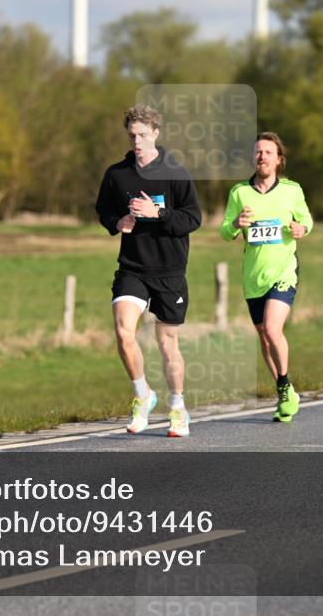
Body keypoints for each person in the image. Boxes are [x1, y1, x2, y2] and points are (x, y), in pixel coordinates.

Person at [95, 105, 202, 438]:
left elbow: (193, 219)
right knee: (124, 332)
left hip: (169, 270)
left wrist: (159, 213)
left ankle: (177, 407)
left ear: (156, 133)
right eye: (132, 135)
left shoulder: (175, 173)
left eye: (142, 135)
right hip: (133, 268)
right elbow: (104, 210)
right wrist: (118, 222)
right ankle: (143, 395)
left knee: (167, 343)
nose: (137, 141)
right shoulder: (117, 174)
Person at [220, 132, 312, 422]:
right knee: (263, 336)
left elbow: (306, 219)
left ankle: (284, 385)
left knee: (273, 329)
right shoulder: (239, 193)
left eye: (268, 152)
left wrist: (302, 229)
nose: (262, 157)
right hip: (253, 276)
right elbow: (224, 231)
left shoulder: (292, 190)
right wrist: (236, 223)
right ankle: (286, 393)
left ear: (279, 159)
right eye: (258, 152)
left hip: (284, 270)